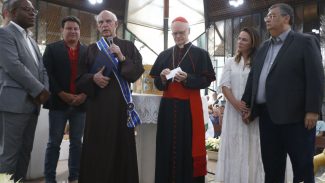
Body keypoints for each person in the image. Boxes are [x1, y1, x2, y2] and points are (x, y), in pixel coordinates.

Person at [242, 3, 324, 183]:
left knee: (302, 167)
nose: (267, 19)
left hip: (297, 118)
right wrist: (247, 105)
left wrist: (313, 109)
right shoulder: (263, 47)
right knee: (272, 167)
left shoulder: (305, 42)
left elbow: (316, 77)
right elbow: (254, 77)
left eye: (272, 15)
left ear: (286, 18)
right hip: (267, 117)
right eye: (267, 17)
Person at [76, 10, 144, 183]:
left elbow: (135, 74)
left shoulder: (129, 47)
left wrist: (121, 57)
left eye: (108, 21)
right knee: (97, 147)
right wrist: (93, 78)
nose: (104, 25)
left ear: (116, 24)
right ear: (98, 26)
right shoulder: (90, 49)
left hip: (121, 107)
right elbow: (79, 78)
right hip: (97, 108)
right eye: (101, 23)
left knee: (121, 146)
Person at [150, 17, 216, 183]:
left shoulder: (201, 54)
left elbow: (206, 80)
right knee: (167, 145)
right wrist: (163, 79)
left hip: (189, 108)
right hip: (168, 107)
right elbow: (157, 83)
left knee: (187, 147)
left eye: (181, 32)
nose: (178, 36)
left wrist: (188, 78)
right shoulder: (165, 55)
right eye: (175, 33)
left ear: (188, 31)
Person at [0, 0, 49, 182]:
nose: (32, 13)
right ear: (11, 12)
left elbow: (42, 69)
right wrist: (39, 90)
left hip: (32, 104)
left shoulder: (32, 40)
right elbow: (13, 66)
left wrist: (45, 90)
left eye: (33, 10)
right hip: (13, 104)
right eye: (26, 9)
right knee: (8, 156)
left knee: (24, 153)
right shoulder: (4, 34)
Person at [214, 27, 264, 183]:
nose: (240, 42)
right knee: (234, 145)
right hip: (233, 110)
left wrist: (248, 108)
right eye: (239, 38)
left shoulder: (259, 61)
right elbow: (224, 85)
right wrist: (236, 104)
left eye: (244, 39)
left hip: (252, 111)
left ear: (252, 43)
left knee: (253, 144)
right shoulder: (230, 61)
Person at [43, 16, 87, 183]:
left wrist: (84, 95)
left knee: (76, 142)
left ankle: (74, 177)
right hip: (58, 103)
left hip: (80, 104)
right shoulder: (52, 49)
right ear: (62, 30)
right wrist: (61, 93)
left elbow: (91, 75)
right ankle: (49, 178)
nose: (73, 31)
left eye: (76, 28)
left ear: (79, 31)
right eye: (69, 28)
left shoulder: (87, 50)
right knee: (54, 143)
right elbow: (48, 74)